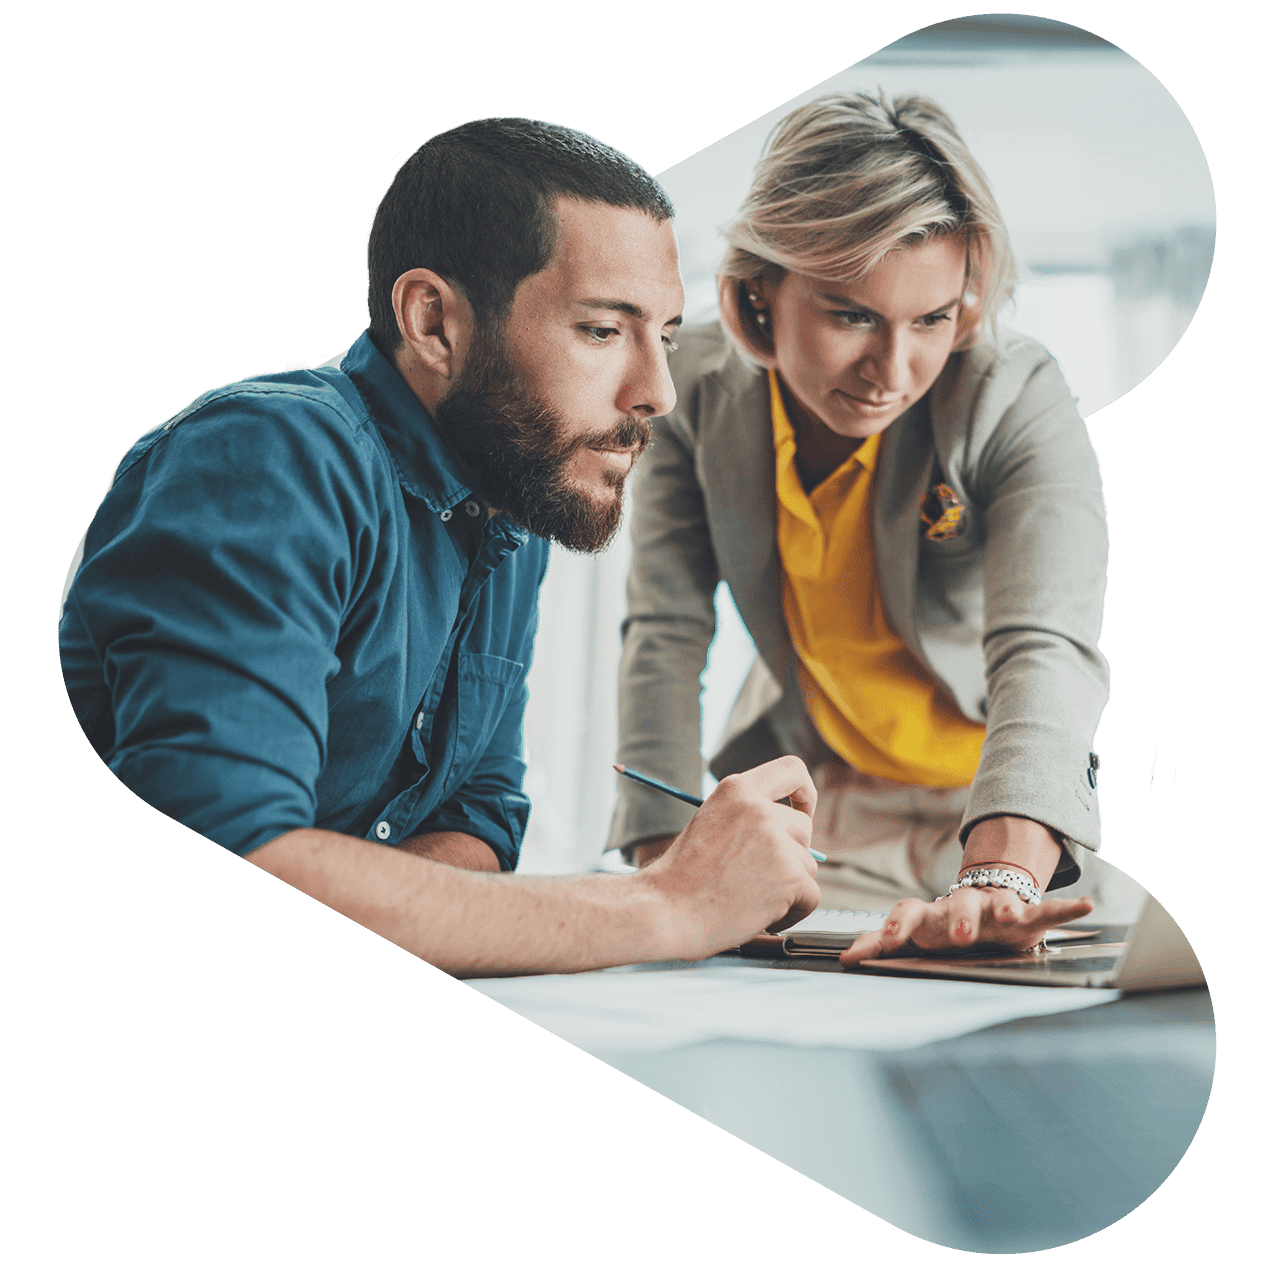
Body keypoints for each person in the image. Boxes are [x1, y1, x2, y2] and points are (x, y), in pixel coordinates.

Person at [58, 117, 820, 978]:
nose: (658, 393)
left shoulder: (509, 504)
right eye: (604, 331)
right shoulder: (270, 459)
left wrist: (373, 900)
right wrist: (666, 901)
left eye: (667, 337)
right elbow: (230, 868)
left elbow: (482, 819)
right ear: (433, 322)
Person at [611, 91, 1115, 960]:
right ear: (761, 291)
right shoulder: (686, 386)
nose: (894, 370)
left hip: (1008, 819)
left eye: (933, 319)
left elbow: (1046, 645)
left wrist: (999, 878)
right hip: (832, 808)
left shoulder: (1011, 395)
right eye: (852, 315)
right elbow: (666, 630)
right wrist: (666, 866)